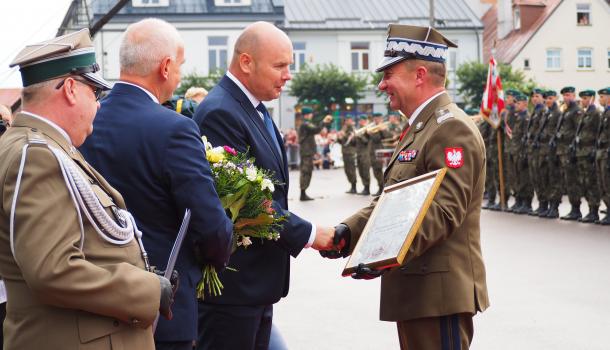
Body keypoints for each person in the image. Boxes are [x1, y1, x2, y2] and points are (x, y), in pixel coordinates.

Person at [0, 28, 176, 350]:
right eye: (94, 93)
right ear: (69, 89)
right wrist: (147, 289)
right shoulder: (39, 156)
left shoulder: (43, 148)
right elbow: (53, 271)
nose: (97, 105)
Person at [323, 24, 489, 349]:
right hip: (419, 291)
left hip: (439, 295)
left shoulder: (451, 128)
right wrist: (346, 232)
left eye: (389, 75)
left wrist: (381, 255)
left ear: (419, 75)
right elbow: (391, 202)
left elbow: (443, 212)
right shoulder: (420, 128)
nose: (382, 84)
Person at [79, 19, 233, 350]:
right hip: (162, 307)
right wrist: (217, 256)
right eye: (178, 65)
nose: (178, 75)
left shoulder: (86, 121)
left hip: (95, 303)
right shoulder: (175, 129)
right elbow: (210, 225)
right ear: (165, 67)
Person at [192, 21, 335, 350]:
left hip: (253, 288)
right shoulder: (220, 113)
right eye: (280, 65)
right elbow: (248, 202)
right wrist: (313, 235)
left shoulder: (252, 108)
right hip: (233, 291)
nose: (288, 75)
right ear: (246, 62)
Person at [557, 86, 583, 220]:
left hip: (571, 151)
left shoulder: (576, 111)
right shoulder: (566, 110)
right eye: (564, 95)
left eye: (568, 95)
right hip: (563, 150)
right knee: (568, 180)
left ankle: (576, 209)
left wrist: (574, 149)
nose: (566, 98)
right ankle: (574, 208)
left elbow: (578, 131)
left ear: (574, 95)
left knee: (573, 181)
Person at [575, 90, 601, 223]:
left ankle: (594, 210)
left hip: (589, 151)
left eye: (585, 98)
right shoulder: (585, 114)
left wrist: (594, 150)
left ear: (592, 99)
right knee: (584, 181)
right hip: (582, 152)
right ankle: (590, 210)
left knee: (591, 182)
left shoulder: (595, 114)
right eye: (582, 99)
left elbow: (598, 133)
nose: (583, 101)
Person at [298, 107, 332, 200]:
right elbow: (316, 130)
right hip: (306, 152)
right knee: (306, 171)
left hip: (308, 151)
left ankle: (303, 193)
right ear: (306, 115)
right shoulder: (305, 124)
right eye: (310, 114)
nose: (312, 115)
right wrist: (324, 121)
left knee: (307, 170)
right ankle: (303, 193)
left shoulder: (306, 123)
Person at [540, 90, 563, 218]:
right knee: (545, 177)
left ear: (555, 98)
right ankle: (548, 204)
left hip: (553, 150)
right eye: (546, 99)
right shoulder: (547, 113)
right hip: (544, 150)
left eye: (550, 98)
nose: (548, 101)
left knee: (554, 178)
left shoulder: (557, 113)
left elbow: (557, 131)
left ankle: (554, 207)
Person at [526, 88, 546, 215]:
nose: (534, 98)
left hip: (540, 150)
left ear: (542, 98)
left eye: (537, 96)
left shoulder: (544, 111)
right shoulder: (534, 111)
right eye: (533, 96)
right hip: (533, 149)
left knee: (542, 177)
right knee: (535, 178)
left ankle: (545, 205)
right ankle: (541, 204)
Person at [368, 112, 392, 195]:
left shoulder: (384, 127)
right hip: (372, 151)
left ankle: (382, 188)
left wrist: (382, 130)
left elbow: (389, 137)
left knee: (378, 169)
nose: (376, 120)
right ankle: (380, 187)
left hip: (380, 151)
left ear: (381, 119)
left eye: (377, 118)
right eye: (375, 118)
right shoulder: (372, 127)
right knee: (375, 170)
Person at [595, 87, 610, 225]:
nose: (600, 99)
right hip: (602, 153)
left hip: (607, 153)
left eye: (603, 96)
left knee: (607, 182)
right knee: (603, 183)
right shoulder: (605, 113)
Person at [337, 114, 358, 193]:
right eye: (346, 120)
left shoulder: (352, 129)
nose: (347, 122)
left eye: (349, 120)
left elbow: (353, 141)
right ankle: (351, 185)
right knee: (347, 170)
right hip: (345, 151)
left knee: (351, 169)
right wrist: (339, 138)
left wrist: (344, 135)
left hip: (350, 152)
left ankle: (354, 187)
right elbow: (343, 142)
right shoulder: (344, 128)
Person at [355, 114, 372, 195]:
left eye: (362, 120)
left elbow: (366, 142)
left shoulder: (368, 130)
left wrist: (361, 136)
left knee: (365, 171)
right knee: (361, 171)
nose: (360, 122)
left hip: (365, 154)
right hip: (359, 153)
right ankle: (364, 187)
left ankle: (367, 188)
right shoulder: (360, 130)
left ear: (365, 121)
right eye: (360, 120)